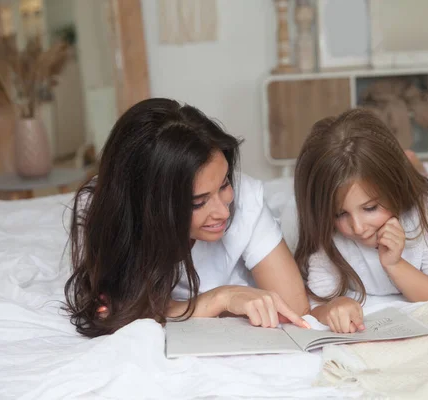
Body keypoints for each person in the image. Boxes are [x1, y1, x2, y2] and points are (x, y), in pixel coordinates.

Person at [65, 98, 310, 338]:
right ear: (151, 208)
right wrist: (220, 299)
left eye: (224, 183)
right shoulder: (119, 220)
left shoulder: (245, 200)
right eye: (198, 202)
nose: (224, 212)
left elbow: (295, 310)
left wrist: (187, 306)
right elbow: (117, 309)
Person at [282, 109, 428, 334]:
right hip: (301, 212)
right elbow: (315, 305)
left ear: (395, 188)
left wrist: (395, 265)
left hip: (410, 189)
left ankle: (413, 165)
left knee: (420, 182)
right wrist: (334, 307)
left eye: (370, 208)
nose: (358, 228)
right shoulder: (322, 224)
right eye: (340, 214)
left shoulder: (425, 209)